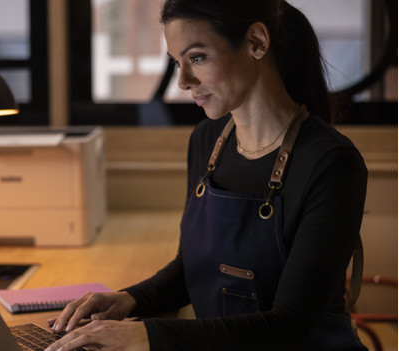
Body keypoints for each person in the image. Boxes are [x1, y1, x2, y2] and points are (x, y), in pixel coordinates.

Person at [45, 0, 368, 350]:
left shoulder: (332, 163)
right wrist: (129, 300)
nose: (183, 81)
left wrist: (147, 335)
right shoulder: (206, 141)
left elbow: (289, 327)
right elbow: (194, 267)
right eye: (176, 63)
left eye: (197, 57)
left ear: (257, 43)